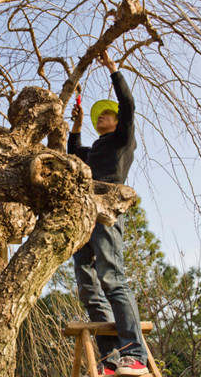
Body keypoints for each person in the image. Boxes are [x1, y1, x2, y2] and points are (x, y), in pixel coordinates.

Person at [68, 49, 149, 377]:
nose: (100, 117)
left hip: (106, 212)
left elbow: (129, 106)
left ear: (117, 122)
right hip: (84, 217)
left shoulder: (121, 141)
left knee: (112, 277)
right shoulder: (94, 149)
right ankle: (113, 354)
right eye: (97, 116)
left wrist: (113, 69)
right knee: (87, 283)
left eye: (106, 114)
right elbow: (73, 154)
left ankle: (135, 351)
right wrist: (75, 125)